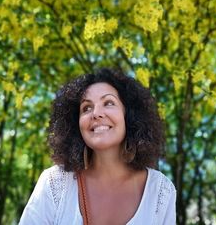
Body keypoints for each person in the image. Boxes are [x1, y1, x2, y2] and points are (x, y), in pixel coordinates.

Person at [19, 68, 176, 225]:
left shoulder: (161, 191)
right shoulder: (54, 184)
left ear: (129, 116)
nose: (96, 113)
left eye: (108, 103)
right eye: (86, 108)